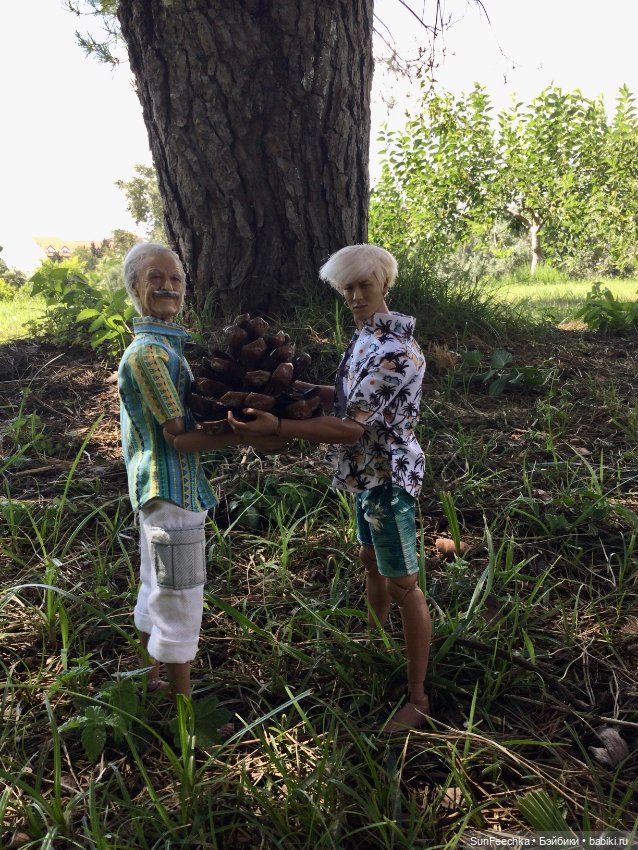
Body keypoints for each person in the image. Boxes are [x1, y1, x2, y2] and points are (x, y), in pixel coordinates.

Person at [210, 244, 432, 731]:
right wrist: (299, 394)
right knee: (372, 563)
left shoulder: (396, 351)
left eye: (363, 286)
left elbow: (352, 426)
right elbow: (350, 399)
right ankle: (376, 643)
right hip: (362, 474)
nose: (354, 296)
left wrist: (279, 427)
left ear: (384, 284)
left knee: (404, 584)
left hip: (387, 478)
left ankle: (418, 694)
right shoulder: (365, 339)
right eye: (346, 288)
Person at [118, 242, 278, 702]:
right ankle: (184, 708)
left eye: (176, 279)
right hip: (171, 493)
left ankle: (152, 679)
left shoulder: (166, 348)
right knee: (181, 592)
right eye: (156, 278)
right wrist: (253, 434)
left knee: (158, 585)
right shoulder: (149, 355)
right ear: (134, 287)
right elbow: (179, 436)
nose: (168, 287)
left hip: (170, 489)